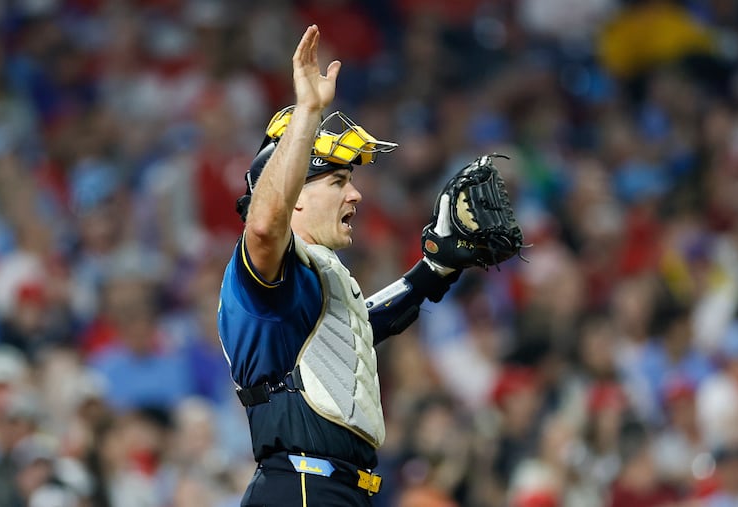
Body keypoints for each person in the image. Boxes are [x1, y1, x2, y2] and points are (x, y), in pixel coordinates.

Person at [217, 25, 518, 506]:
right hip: (300, 486)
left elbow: (362, 323)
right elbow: (262, 226)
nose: (354, 193)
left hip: (334, 487)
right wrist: (308, 114)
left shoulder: (316, 274)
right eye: (337, 181)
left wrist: (434, 269)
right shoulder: (264, 269)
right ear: (293, 200)